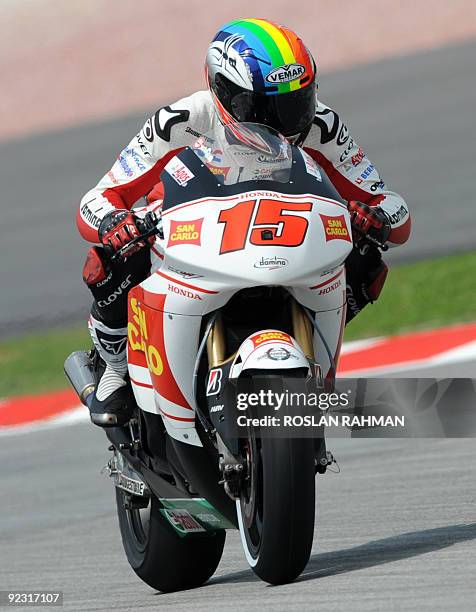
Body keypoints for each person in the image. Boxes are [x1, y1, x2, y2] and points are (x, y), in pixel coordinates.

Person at [77, 18, 411, 427]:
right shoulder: (179, 120)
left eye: (296, 102)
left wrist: (376, 216)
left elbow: (392, 205)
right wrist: (116, 220)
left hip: (285, 236)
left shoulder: (322, 125)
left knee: (366, 255)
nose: (284, 122)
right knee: (115, 253)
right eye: (263, 107)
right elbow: (97, 199)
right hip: (192, 235)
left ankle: (309, 349)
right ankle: (115, 364)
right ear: (222, 92)